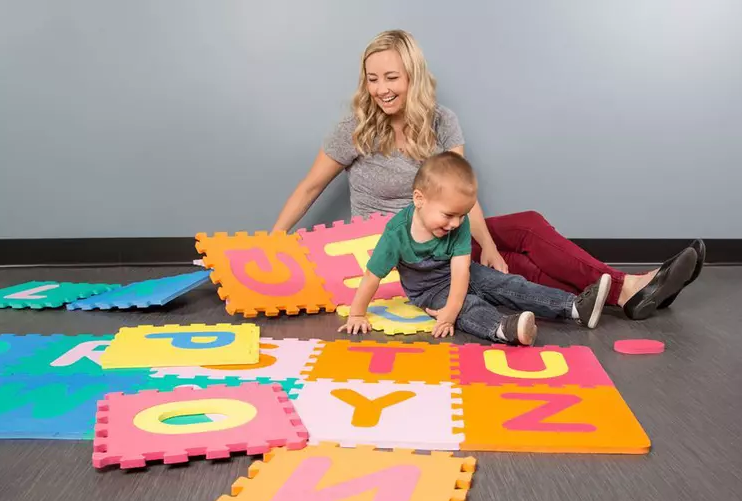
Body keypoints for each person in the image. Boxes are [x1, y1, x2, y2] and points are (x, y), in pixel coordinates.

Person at [272, 29, 703, 321]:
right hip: (397, 248)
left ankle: (624, 292)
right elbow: (311, 186)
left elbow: (461, 192)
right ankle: (626, 289)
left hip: (443, 231)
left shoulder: (442, 122)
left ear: (413, 77)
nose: (382, 89)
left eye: (392, 78)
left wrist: (489, 245)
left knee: (520, 240)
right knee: (509, 260)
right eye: (372, 79)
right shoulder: (355, 129)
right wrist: (270, 242)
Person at [337, 151, 614, 346]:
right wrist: (357, 314)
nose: (456, 223)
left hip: (464, 273)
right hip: (429, 291)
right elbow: (372, 277)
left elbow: (461, 273)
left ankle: (574, 307)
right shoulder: (396, 234)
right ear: (419, 199)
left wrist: (452, 305)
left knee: (508, 284)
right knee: (468, 307)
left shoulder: (458, 224)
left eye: (462, 215)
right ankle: (502, 329)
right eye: (448, 215)